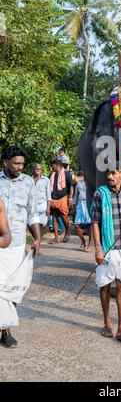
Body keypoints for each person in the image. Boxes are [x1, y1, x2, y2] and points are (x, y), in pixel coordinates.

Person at [91, 166, 121, 344]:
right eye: (108, 173)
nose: (109, 176)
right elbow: (95, 221)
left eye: (113, 173)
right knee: (104, 285)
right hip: (106, 247)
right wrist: (98, 248)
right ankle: (107, 322)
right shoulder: (100, 194)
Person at [0, 146, 41, 347]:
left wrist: (38, 237)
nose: (20, 167)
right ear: (5, 162)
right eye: (16, 163)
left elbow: (33, 213)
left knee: (13, 288)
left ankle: (6, 330)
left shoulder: (28, 183)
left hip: (17, 244)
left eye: (22, 164)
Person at [49, 159, 74, 243]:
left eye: (52, 166)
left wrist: (70, 198)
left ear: (56, 165)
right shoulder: (52, 175)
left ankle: (67, 231)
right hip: (53, 198)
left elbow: (71, 186)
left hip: (63, 197)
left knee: (64, 217)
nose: (52, 167)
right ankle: (56, 237)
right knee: (54, 217)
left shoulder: (66, 174)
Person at [73, 170, 92, 252]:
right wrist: (74, 206)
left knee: (91, 224)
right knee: (77, 225)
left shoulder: (92, 183)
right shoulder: (79, 183)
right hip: (80, 204)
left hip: (90, 203)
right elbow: (76, 196)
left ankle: (90, 244)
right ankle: (83, 242)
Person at [30, 163, 51, 236]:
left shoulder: (46, 180)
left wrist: (48, 208)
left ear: (41, 170)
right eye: (36, 169)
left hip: (42, 205)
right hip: (32, 206)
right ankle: (37, 238)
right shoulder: (29, 180)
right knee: (31, 224)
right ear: (33, 170)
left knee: (42, 223)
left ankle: (37, 239)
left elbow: (48, 196)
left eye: (39, 169)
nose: (37, 171)